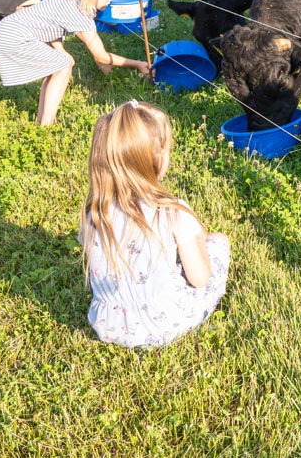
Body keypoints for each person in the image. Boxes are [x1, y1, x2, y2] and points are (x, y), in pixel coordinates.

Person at [79, 100, 230, 348]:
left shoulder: (94, 212)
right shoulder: (171, 211)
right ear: (157, 159)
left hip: (108, 324)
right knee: (219, 241)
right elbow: (200, 278)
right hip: (165, 323)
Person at [0, 0, 151, 125]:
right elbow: (101, 56)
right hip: (11, 38)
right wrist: (137, 64)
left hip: (4, 30)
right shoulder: (80, 15)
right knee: (63, 66)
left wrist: (60, 50)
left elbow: (50, 22)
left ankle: (42, 119)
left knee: (56, 66)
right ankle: (47, 123)